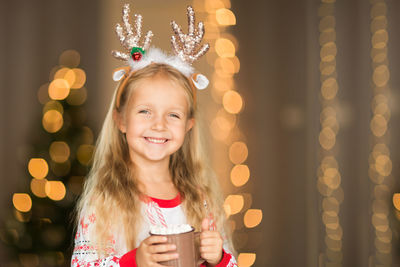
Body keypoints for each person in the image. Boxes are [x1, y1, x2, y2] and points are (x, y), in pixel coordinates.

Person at [71, 4, 237, 267]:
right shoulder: (104, 201)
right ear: (121, 120)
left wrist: (219, 258)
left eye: (173, 115)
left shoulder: (200, 199)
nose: (159, 125)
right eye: (145, 111)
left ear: (189, 125)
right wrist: (133, 261)